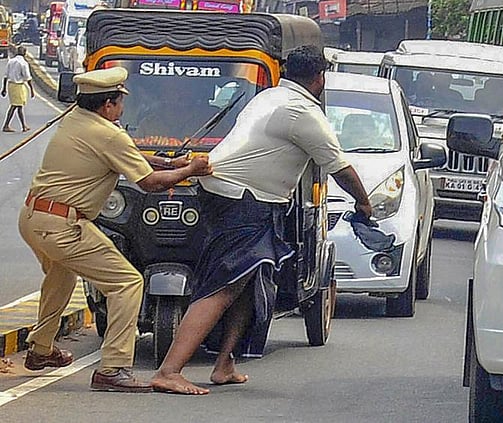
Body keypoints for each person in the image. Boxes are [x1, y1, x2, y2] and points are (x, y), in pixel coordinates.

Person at [151, 45, 372, 395]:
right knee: (225, 284)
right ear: (320, 78)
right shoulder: (301, 112)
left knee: (247, 281)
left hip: (237, 195)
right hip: (244, 199)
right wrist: (365, 203)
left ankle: (225, 362)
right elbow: (339, 167)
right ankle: (170, 369)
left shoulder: (268, 96)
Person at [18, 67, 213, 392]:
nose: (123, 106)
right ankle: (113, 367)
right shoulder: (109, 134)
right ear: (107, 105)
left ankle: (40, 349)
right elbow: (148, 183)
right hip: (64, 225)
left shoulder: (78, 121)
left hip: (33, 218)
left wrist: (170, 163)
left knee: (61, 276)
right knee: (126, 283)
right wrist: (190, 170)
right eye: (121, 101)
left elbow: (128, 156)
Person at [2, 46, 35, 132]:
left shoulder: (11, 61)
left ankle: (23, 126)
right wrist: (32, 90)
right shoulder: (23, 63)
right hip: (18, 85)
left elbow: (5, 76)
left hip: (10, 85)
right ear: (24, 53)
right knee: (15, 106)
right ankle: (6, 125)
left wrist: (4, 88)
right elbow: (28, 78)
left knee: (18, 106)